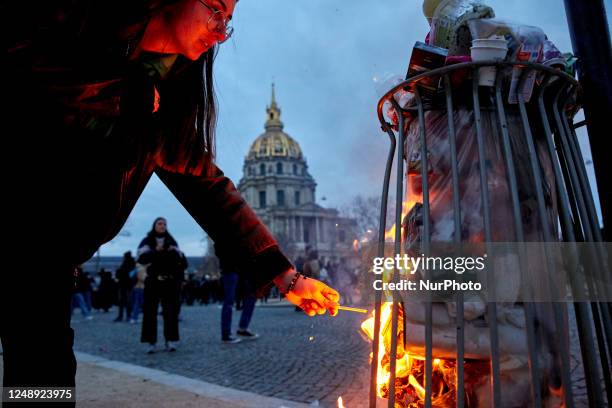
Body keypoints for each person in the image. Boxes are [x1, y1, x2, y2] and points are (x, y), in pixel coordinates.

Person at [4, 0, 339, 392]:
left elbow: (205, 184)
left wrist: (286, 276)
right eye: (215, 9)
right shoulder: (70, 27)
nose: (220, 31)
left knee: (42, 379)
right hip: (18, 231)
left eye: (228, 22)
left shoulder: (165, 97)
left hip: (49, 259)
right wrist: (124, 95)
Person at [137, 217, 187, 353]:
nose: (162, 226)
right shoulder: (147, 241)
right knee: (150, 312)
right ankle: (151, 342)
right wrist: (155, 251)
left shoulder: (172, 241)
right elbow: (141, 258)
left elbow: (181, 260)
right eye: (160, 223)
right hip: (153, 280)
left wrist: (171, 251)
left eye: (165, 224)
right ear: (154, 225)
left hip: (169, 281)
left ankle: (170, 340)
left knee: (170, 312)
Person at [219, 255, 258, 343]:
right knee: (229, 300)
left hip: (242, 268)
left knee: (251, 296)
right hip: (231, 267)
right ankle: (226, 333)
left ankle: (241, 328)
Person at [114, 251, 137, 322]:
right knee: (129, 301)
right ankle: (128, 316)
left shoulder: (124, 265)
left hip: (123, 284)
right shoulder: (133, 264)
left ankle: (121, 316)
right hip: (130, 284)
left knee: (122, 301)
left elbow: (119, 274)